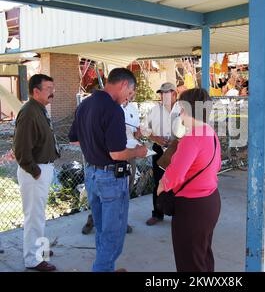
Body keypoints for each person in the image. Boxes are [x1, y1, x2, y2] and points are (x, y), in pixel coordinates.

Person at [69, 68, 147, 272]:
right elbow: (117, 154)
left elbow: (75, 139)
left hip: (92, 175)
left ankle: (107, 267)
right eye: (129, 94)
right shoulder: (113, 110)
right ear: (123, 85)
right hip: (111, 178)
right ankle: (102, 269)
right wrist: (138, 152)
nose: (127, 100)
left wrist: (95, 143)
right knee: (114, 234)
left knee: (103, 229)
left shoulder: (85, 104)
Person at [157, 88, 222, 272]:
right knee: (202, 257)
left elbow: (175, 175)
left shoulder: (192, 137)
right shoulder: (210, 132)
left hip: (192, 207)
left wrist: (162, 186)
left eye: (181, 108)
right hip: (210, 202)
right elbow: (216, 165)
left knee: (190, 263)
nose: (179, 113)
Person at [13, 74, 60, 272]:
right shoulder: (29, 112)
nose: (52, 92)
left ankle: (40, 250)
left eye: (53, 88)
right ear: (36, 91)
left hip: (42, 169)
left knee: (39, 215)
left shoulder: (39, 109)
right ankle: (32, 259)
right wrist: (36, 172)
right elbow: (21, 150)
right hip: (34, 173)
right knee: (34, 216)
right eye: (48, 88)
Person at [81, 97, 140, 235]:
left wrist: (138, 133)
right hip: (110, 157)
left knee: (126, 190)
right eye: (128, 91)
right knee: (102, 192)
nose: (129, 95)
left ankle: (121, 221)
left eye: (132, 92)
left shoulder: (133, 109)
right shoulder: (108, 108)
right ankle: (93, 219)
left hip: (129, 154)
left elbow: (135, 132)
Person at [142, 82, 180, 226]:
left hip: (178, 150)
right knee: (158, 182)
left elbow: (190, 129)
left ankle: (179, 215)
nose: (163, 96)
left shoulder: (182, 108)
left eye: (166, 93)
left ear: (174, 94)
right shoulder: (154, 110)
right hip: (159, 150)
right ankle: (157, 214)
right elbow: (144, 129)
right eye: (161, 93)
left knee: (179, 182)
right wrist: (155, 138)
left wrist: (177, 141)